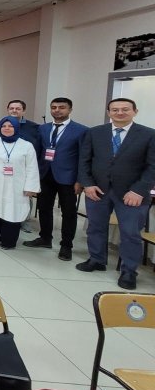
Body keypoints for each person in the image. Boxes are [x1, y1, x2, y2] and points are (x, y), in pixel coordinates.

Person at [77, 98, 155, 290]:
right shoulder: (95, 132)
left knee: (130, 233)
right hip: (98, 190)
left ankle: (129, 271)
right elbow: (84, 161)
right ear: (109, 112)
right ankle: (97, 259)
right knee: (95, 227)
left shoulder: (149, 134)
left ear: (135, 111)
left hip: (132, 193)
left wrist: (138, 190)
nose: (120, 113)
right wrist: (88, 184)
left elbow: (152, 166)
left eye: (125, 109)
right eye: (115, 109)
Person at [24, 98, 88, 261]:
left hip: (68, 177)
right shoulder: (43, 128)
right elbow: (38, 152)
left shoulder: (81, 130)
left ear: (70, 110)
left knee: (68, 212)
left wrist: (80, 180)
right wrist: (34, 176)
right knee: (44, 208)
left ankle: (66, 245)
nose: (57, 110)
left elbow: (84, 157)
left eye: (61, 107)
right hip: (45, 174)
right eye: (53, 107)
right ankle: (45, 238)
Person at [0, 116, 39, 249]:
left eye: (10, 126)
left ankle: (8, 241)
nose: (7, 128)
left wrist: (31, 187)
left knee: (12, 211)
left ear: (16, 128)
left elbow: (32, 168)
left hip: (16, 186)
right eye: (4, 126)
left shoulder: (26, 146)